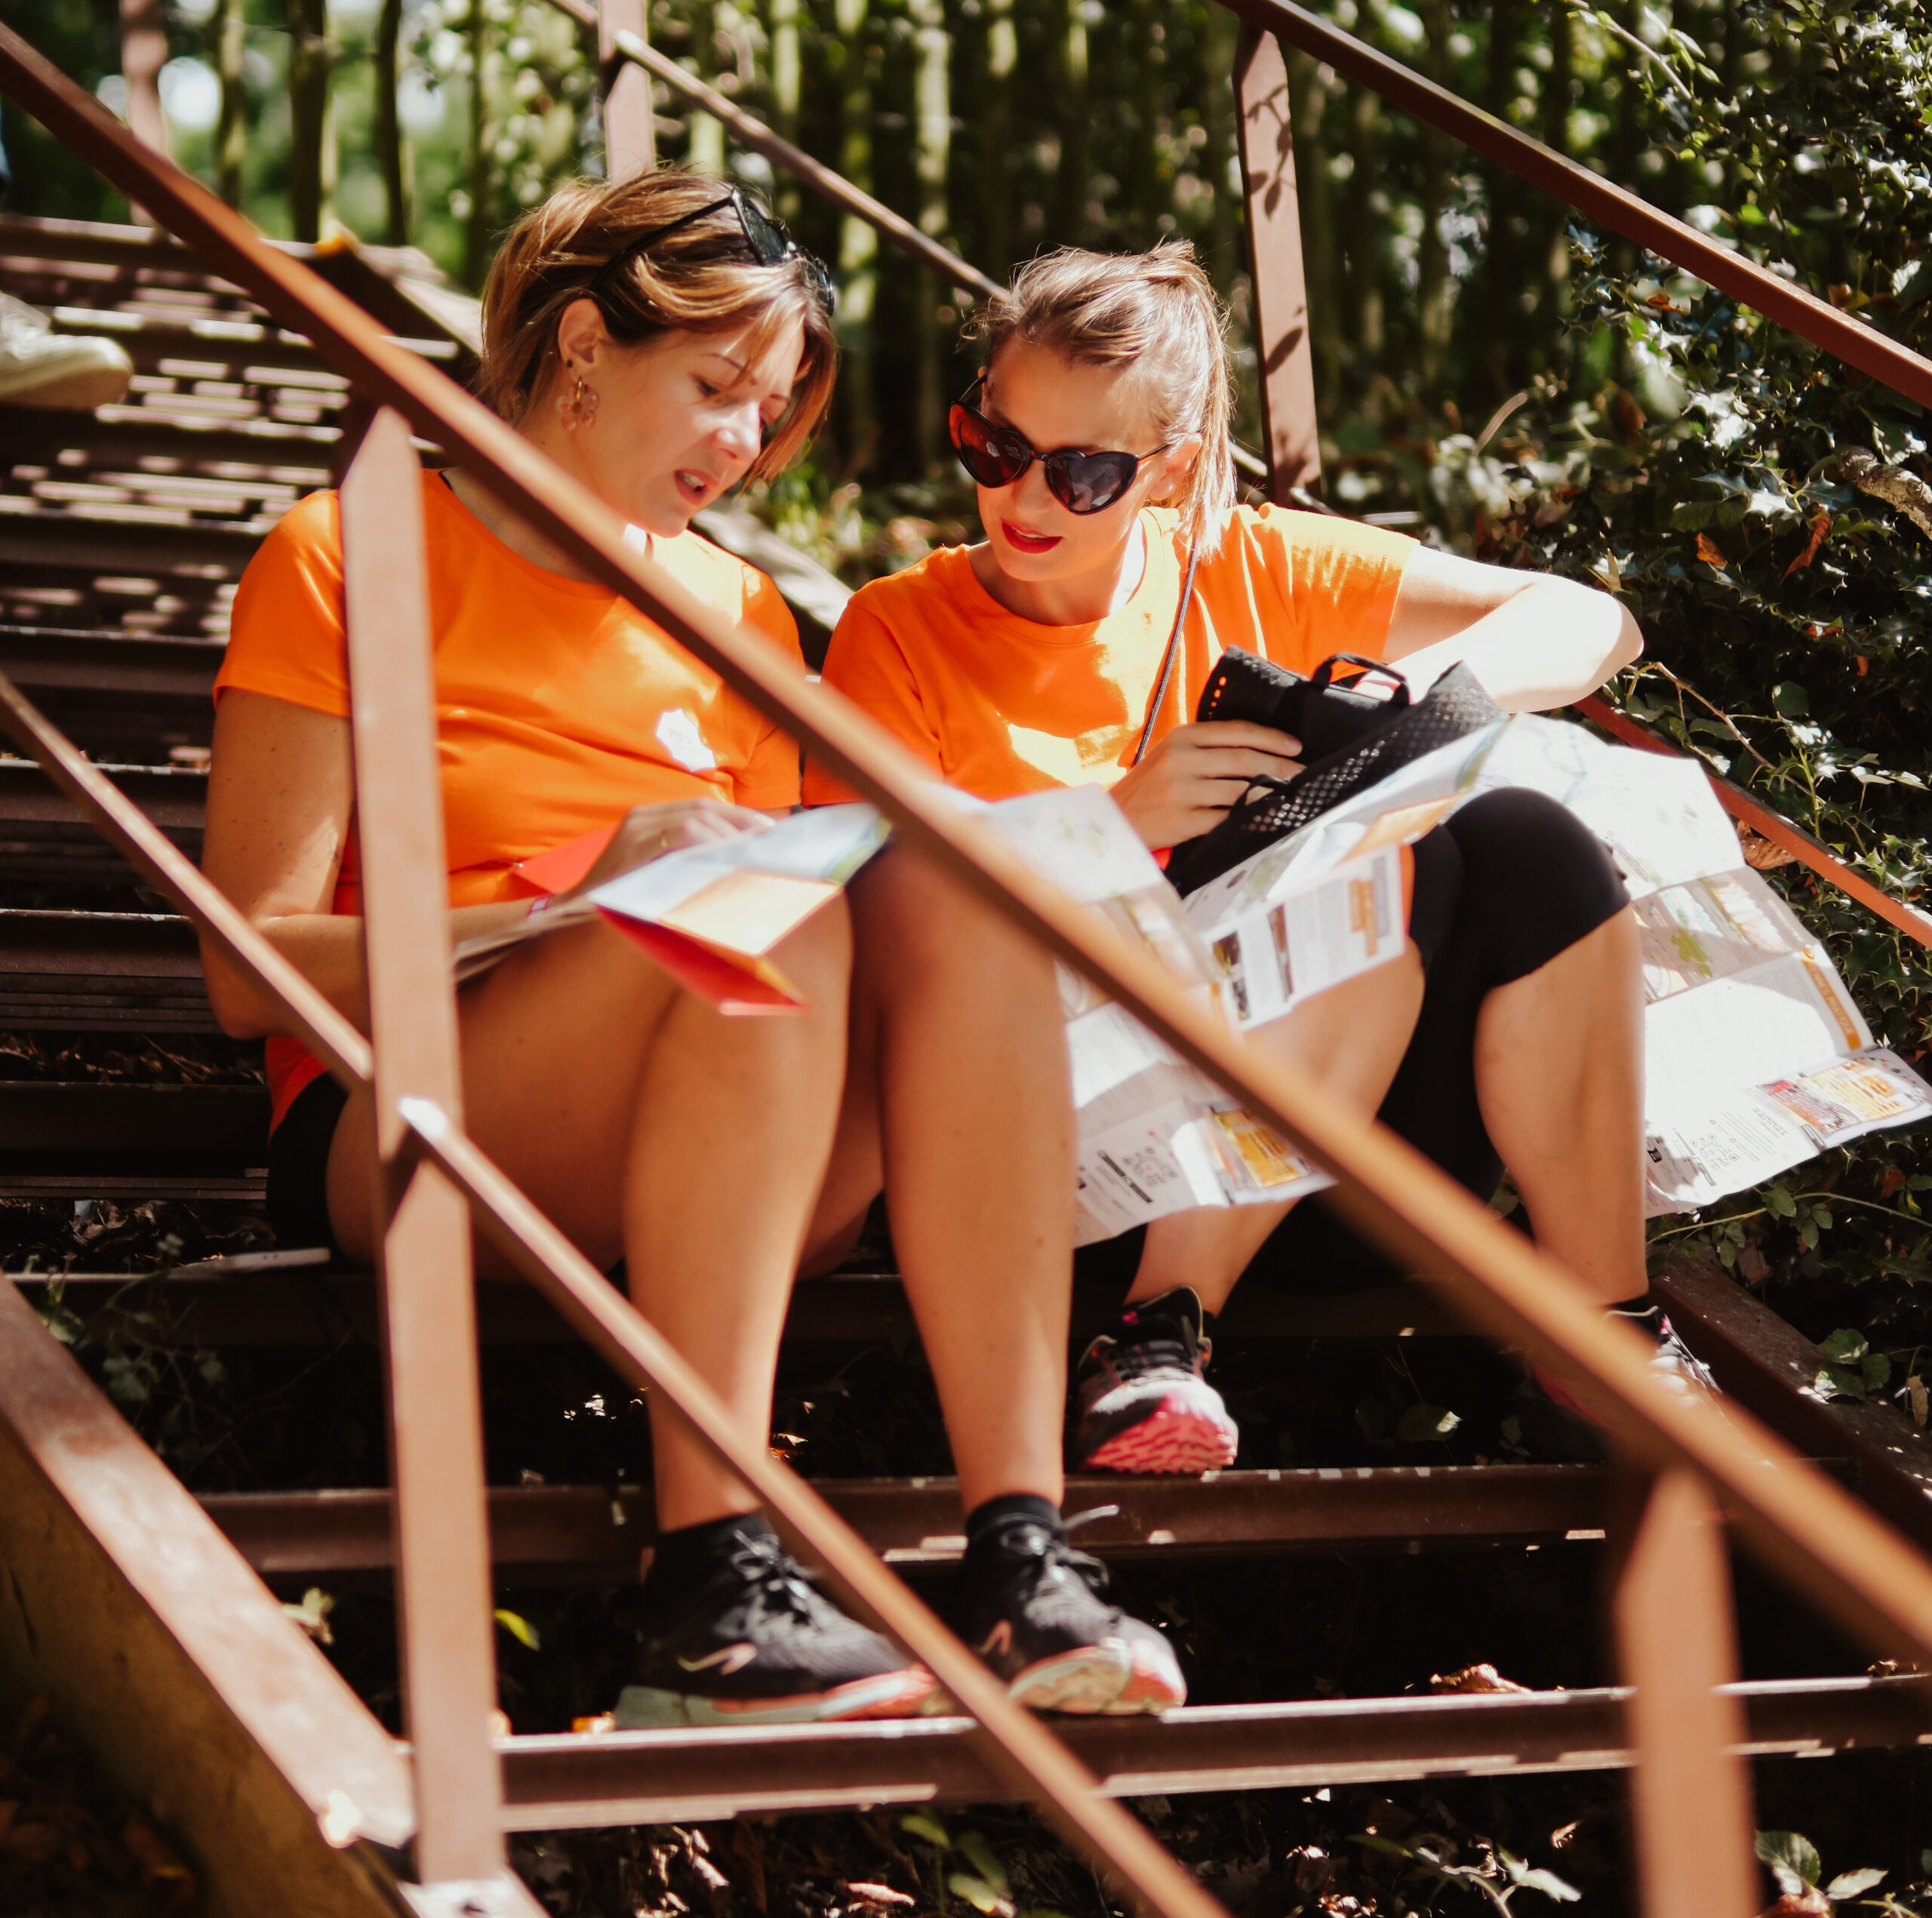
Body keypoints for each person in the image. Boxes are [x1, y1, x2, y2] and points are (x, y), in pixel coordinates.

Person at [199, 174, 1181, 1725]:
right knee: (761, 906)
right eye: (714, 390)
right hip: (410, 1112)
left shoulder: (738, 611)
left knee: (954, 888)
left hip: (732, 1115)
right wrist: (577, 901)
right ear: (582, 345)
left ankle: (1020, 1556)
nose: (739, 444)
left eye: (768, 410)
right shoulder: (348, 550)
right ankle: (713, 1580)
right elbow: (243, 970)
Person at [808, 243, 1715, 1473]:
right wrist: (1111, 823)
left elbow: (1593, 620)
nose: (1024, 500)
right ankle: (1153, 1333)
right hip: (1072, 1180)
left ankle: (1606, 1322)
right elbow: (864, 912)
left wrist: (1421, 708)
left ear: (1172, 470)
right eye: (995, 448)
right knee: (1379, 867)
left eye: (1080, 472)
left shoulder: (1245, 565)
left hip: (1330, 1155)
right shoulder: (895, 631)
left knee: (1518, 836)